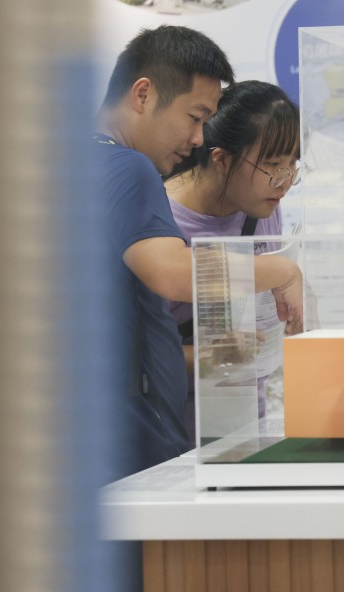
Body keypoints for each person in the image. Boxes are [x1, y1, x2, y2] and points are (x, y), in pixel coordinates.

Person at [94, 26, 304, 480]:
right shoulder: (128, 167)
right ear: (143, 94)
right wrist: (281, 269)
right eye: (194, 117)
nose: (196, 140)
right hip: (132, 438)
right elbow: (171, 274)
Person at [163, 80, 302, 437]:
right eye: (272, 165)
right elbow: (132, 357)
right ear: (222, 159)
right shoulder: (161, 220)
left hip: (242, 425)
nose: (284, 182)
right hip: (170, 436)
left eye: (292, 166)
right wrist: (207, 358)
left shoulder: (261, 206)